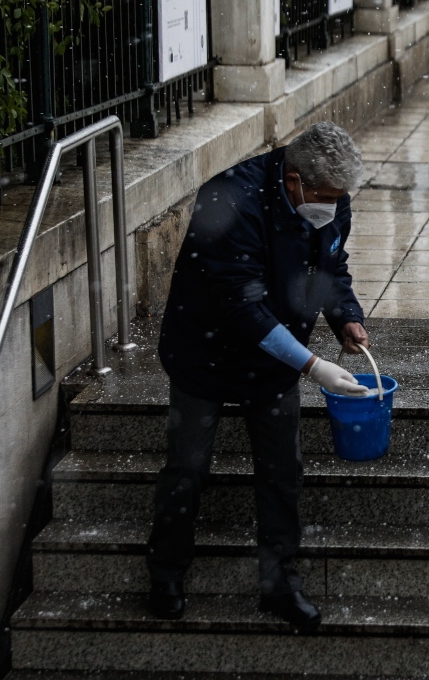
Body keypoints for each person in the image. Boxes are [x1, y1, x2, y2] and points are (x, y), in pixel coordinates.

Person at [146, 122, 371, 632]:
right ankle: (167, 573)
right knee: (187, 467)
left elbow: (330, 268)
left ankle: (280, 584)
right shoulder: (230, 199)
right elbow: (242, 309)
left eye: (341, 198)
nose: (333, 208)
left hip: (274, 360)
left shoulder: (329, 198)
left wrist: (346, 317)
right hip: (204, 353)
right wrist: (313, 367)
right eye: (325, 197)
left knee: (281, 471)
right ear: (293, 180)